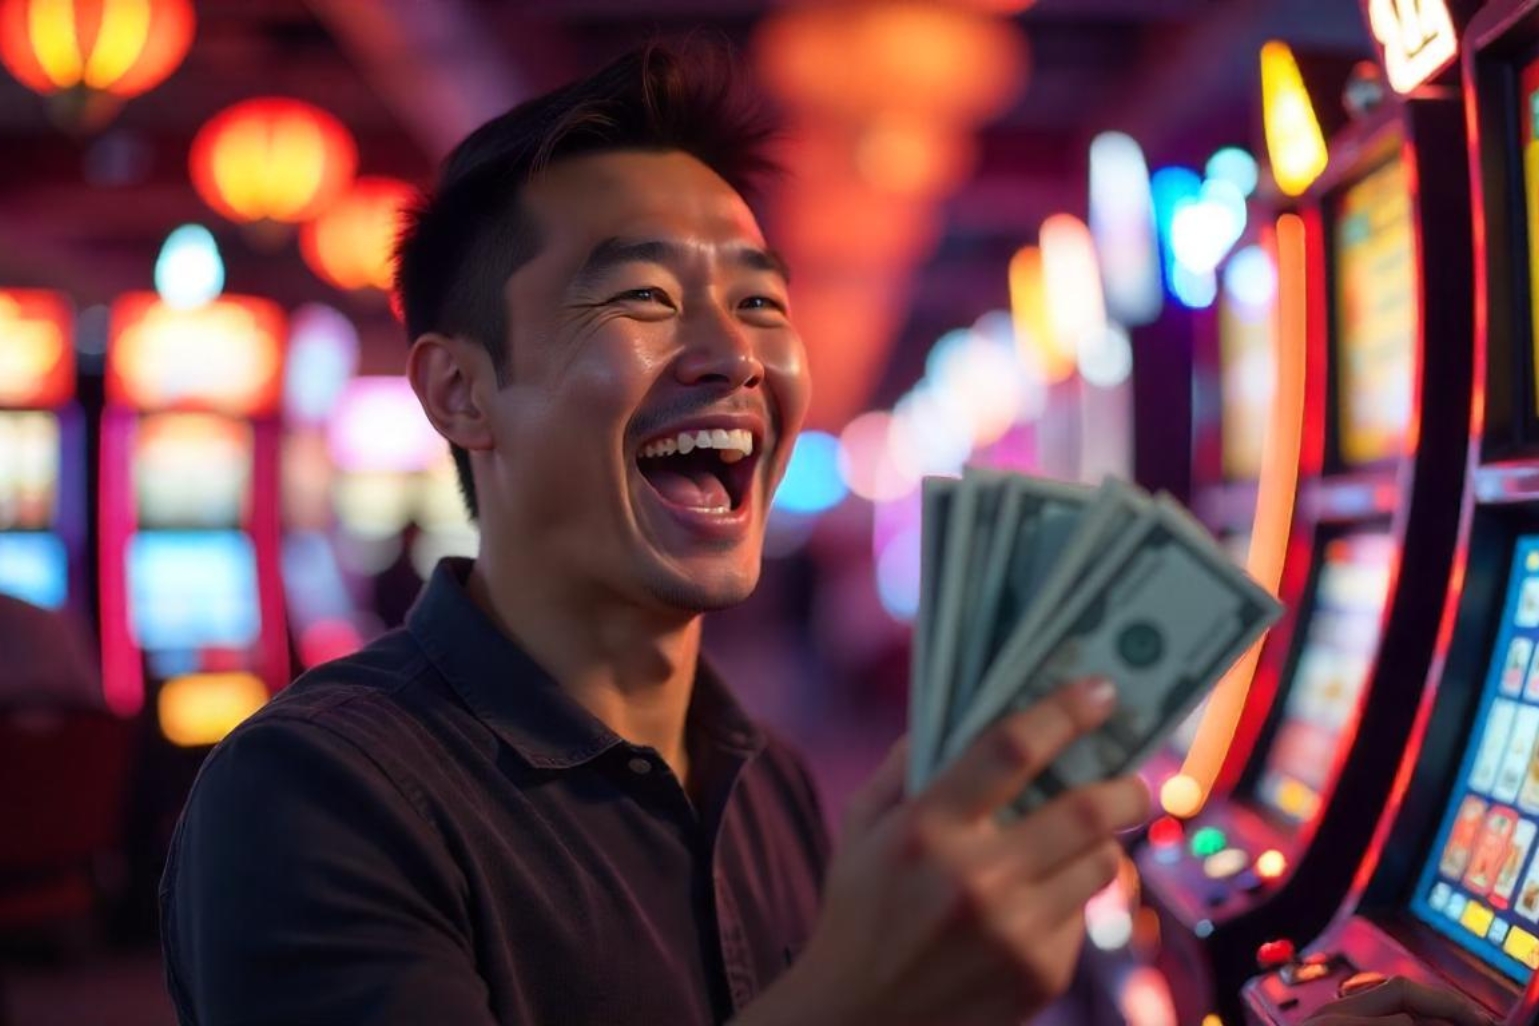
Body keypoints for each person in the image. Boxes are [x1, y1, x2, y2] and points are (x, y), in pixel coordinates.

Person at [159, 41, 1493, 1026]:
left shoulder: (769, 778)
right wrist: (866, 997)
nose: (732, 357)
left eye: (757, 303)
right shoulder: (312, 799)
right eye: (639, 295)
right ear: (461, 390)